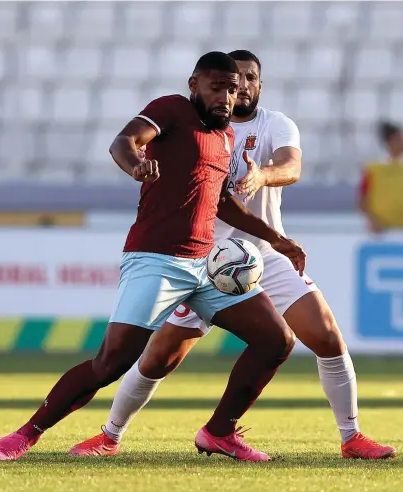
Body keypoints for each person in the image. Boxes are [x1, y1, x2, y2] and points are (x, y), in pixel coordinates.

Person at [69, 51, 397, 461]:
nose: (240, 85)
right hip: (203, 259)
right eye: (232, 79)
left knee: (327, 337)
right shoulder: (201, 125)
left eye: (249, 78)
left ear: (259, 85)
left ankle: (351, 438)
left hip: (261, 254)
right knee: (158, 359)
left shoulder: (275, 124)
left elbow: (291, 166)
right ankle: (110, 435)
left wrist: (262, 175)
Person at [0, 51, 306, 462]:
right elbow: (124, 141)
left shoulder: (224, 137)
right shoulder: (170, 109)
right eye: (216, 87)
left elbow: (221, 202)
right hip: (156, 259)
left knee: (276, 339)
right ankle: (27, 433)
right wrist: (135, 165)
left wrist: (277, 239)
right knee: (111, 362)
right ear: (194, 85)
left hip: (206, 266)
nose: (227, 96)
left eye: (232, 88)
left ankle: (220, 432)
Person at [359, 121, 403, 233]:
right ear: (388, 142)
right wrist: (372, 220)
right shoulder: (373, 169)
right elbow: (362, 201)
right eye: (397, 139)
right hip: (382, 232)